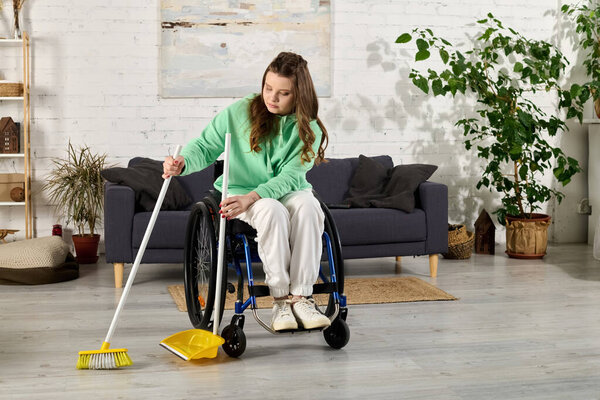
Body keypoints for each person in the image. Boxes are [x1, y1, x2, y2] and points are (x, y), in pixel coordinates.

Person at [163, 52, 331, 331]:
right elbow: (204, 146)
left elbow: (291, 176)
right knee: (271, 210)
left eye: (283, 93)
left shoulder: (308, 126)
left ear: (299, 94)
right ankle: (280, 301)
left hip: (287, 188)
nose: (272, 98)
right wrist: (182, 163)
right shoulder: (239, 112)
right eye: (268, 88)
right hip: (241, 189)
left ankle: (301, 296)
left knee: (309, 207)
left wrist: (254, 197)